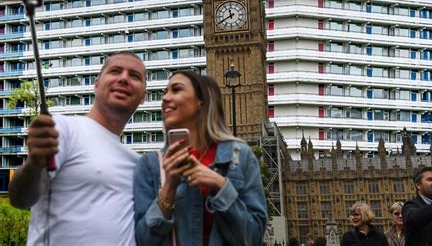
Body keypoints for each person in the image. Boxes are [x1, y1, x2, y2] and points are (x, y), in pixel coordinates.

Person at [8, 52, 147, 245]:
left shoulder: (138, 163)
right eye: (115, 71)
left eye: (134, 76)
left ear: (144, 97)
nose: (124, 78)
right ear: (96, 84)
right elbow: (20, 199)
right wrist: (34, 163)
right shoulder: (62, 129)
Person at [134, 71, 267, 245]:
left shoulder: (241, 157)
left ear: (201, 102)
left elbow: (254, 236)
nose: (165, 98)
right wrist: (169, 188)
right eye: (164, 92)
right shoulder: (150, 165)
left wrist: (220, 186)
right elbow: (143, 240)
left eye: (176, 90)